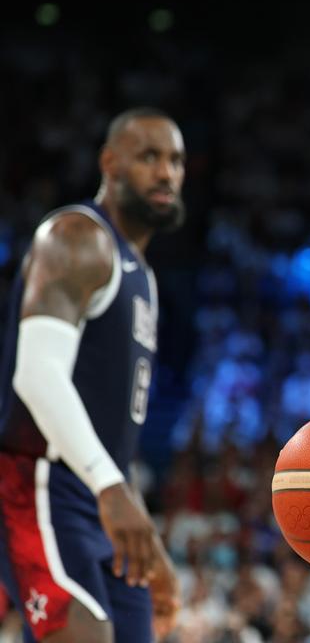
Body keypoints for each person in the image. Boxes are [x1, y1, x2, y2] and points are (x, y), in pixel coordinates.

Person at [0, 108, 184, 642]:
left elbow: (109, 431)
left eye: (176, 160)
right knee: (84, 633)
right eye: (149, 157)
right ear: (110, 163)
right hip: (38, 480)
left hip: (101, 494)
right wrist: (109, 487)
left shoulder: (143, 277)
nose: (166, 173)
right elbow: (36, 376)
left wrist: (144, 532)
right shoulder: (77, 237)